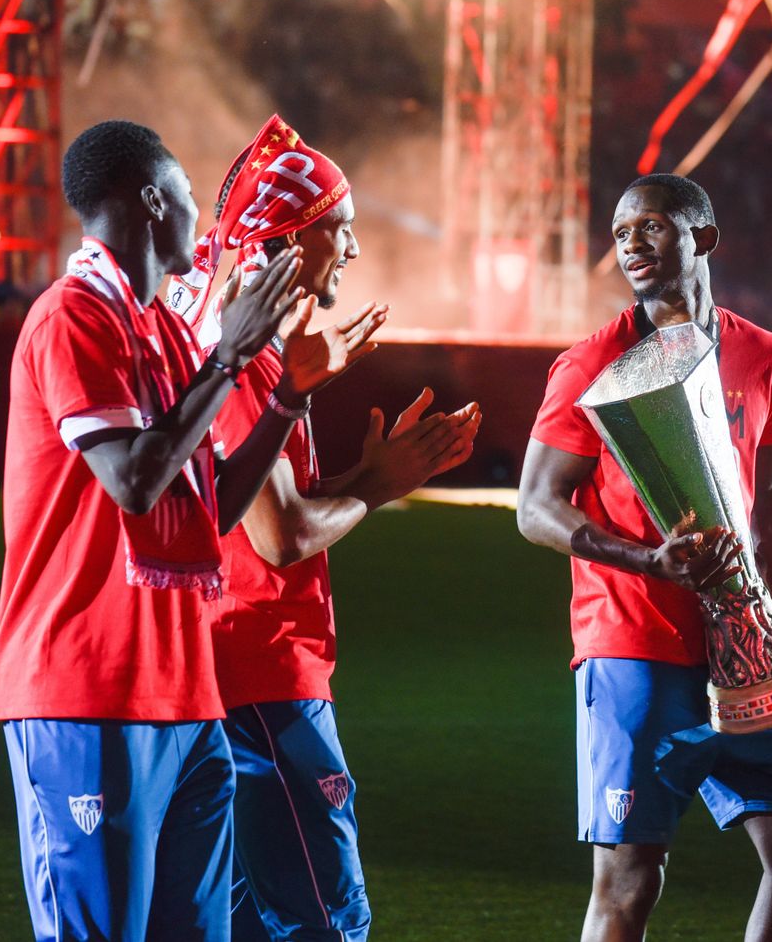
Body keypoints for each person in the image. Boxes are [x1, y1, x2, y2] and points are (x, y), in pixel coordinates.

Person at [0, 120, 375, 941]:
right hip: (87, 686)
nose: (207, 220)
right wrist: (228, 361)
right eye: (191, 195)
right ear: (154, 202)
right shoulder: (71, 318)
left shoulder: (161, 329)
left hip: (185, 695)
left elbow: (209, 512)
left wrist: (285, 399)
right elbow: (132, 480)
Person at [167, 114, 481, 941]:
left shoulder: (249, 345)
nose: (352, 248)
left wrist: (371, 476)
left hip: (229, 670)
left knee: (244, 921)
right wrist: (378, 487)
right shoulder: (245, 355)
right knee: (325, 921)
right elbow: (281, 538)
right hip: (262, 673)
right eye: (337, 229)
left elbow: (260, 511)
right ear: (285, 239)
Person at [516, 174, 772, 942]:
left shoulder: (764, 357)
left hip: (745, 646)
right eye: (621, 233)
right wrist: (646, 560)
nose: (632, 244)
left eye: (651, 226)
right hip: (635, 647)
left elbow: (766, 504)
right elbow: (535, 506)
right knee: (630, 879)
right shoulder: (590, 365)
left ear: (704, 238)